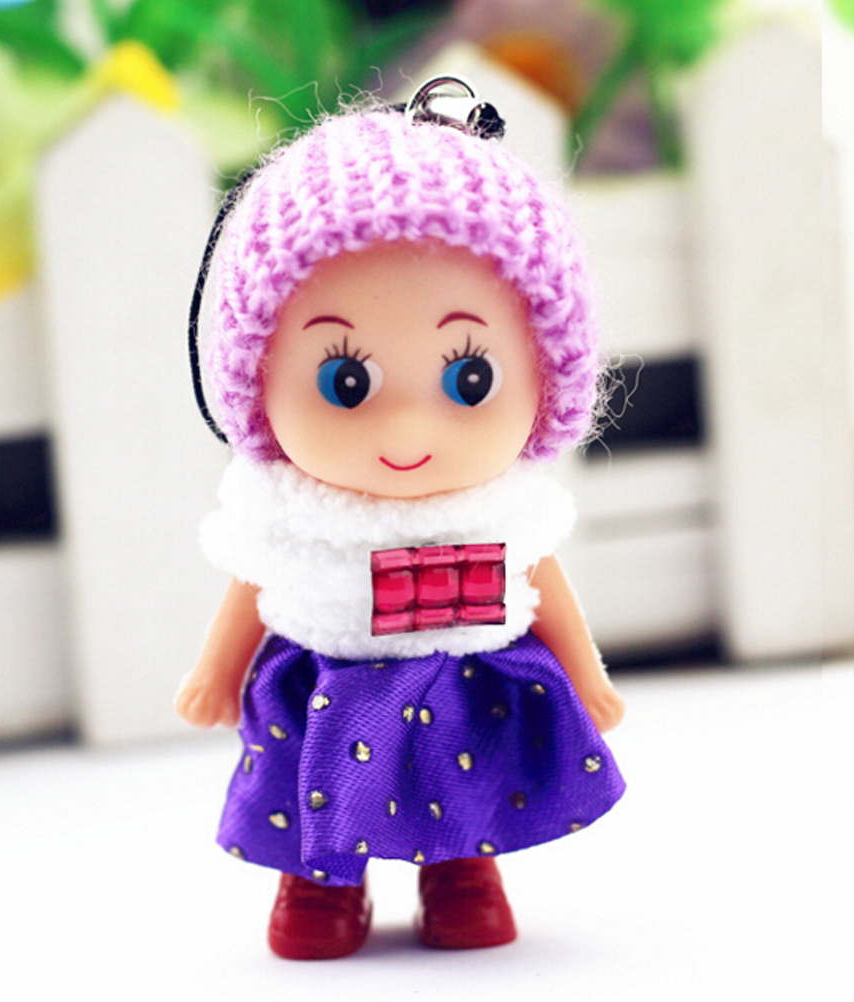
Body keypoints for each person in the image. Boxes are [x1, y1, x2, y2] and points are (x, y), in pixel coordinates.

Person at [175, 84, 626, 960]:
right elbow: (255, 583)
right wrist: (216, 671)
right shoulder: (294, 515)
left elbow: (542, 584)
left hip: (463, 680)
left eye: (469, 380)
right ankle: (320, 883)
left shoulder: (502, 512)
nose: (409, 432)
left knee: (465, 782)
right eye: (345, 383)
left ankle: (462, 870)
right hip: (327, 685)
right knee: (313, 789)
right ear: (257, 381)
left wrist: (587, 676)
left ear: (544, 378)